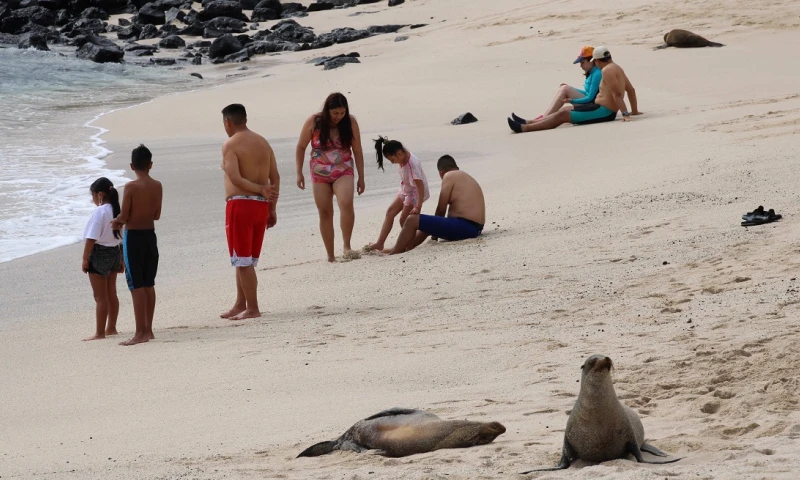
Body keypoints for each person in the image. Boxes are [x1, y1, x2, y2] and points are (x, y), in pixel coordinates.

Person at [218, 103, 280, 321]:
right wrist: (272, 207)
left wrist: (259, 189)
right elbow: (276, 178)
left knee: (243, 261)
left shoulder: (230, 144)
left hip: (241, 205)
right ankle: (240, 303)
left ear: (227, 122)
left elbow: (235, 178)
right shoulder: (263, 143)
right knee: (243, 259)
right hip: (260, 207)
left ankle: (252, 307)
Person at [295, 92, 365, 262]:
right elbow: (301, 147)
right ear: (327, 110)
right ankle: (330, 255)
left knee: (346, 202)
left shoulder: (350, 122)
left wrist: (361, 177)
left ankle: (347, 246)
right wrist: (299, 173)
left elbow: (357, 150)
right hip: (319, 172)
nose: (338, 117)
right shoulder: (314, 121)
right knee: (325, 212)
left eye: (342, 113)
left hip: (343, 168)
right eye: (335, 113)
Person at [507, 46, 639, 133]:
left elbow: (617, 95)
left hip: (605, 112)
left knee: (563, 115)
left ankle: (525, 128)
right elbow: (631, 90)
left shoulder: (607, 71)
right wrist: (635, 111)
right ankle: (530, 122)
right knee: (565, 110)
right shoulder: (617, 68)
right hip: (600, 109)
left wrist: (626, 115)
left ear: (598, 61)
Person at [111, 145, 163, 346]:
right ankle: (148, 329)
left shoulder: (130, 187)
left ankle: (140, 331)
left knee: (136, 286)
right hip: (150, 237)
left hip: (133, 238)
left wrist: (116, 221)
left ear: (132, 166)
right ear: (150, 165)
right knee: (149, 283)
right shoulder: (157, 185)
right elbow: (156, 215)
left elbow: (124, 215)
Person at [387, 155, 485, 255]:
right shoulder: (466, 177)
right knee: (429, 223)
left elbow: (441, 210)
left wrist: (434, 237)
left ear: (441, 172)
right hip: (476, 228)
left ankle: (394, 252)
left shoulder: (449, 176)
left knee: (412, 220)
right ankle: (406, 247)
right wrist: (433, 230)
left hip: (464, 227)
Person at [510, 46, 603, 124]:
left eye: (582, 62)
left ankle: (537, 120)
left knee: (565, 89)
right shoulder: (591, 72)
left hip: (592, 104)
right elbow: (588, 93)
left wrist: (571, 100)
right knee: (565, 88)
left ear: (592, 61)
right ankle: (539, 119)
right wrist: (571, 89)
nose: (580, 66)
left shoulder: (597, 74)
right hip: (590, 101)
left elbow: (591, 97)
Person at [368, 136, 430, 252]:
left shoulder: (412, 165)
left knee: (404, 220)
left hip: (415, 193)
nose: (393, 163)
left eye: (392, 160)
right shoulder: (402, 156)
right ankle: (380, 243)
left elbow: (420, 186)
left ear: (398, 154)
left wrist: (418, 206)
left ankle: (409, 246)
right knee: (390, 212)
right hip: (406, 188)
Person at [81, 177, 124, 341]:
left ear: (99, 194)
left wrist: (85, 258)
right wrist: (121, 259)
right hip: (114, 252)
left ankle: (99, 332)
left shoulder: (100, 211)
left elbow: (91, 238)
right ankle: (111, 328)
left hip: (99, 253)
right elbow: (120, 236)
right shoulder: (117, 210)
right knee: (111, 293)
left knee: (100, 297)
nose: (92, 199)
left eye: (92, 195)